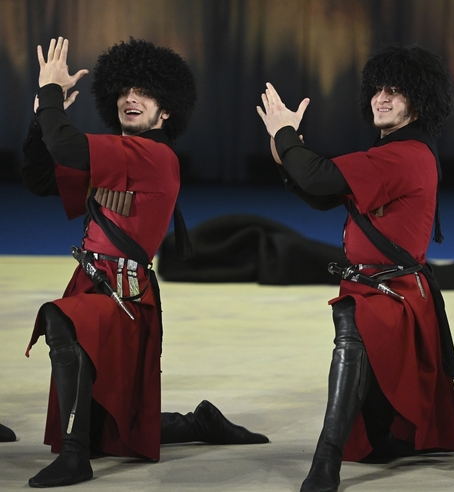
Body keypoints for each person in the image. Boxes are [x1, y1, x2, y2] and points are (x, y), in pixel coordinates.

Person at [22, 37, 266, 488]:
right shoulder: (118, 152)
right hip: (94, 283)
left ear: (166, 110)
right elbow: (40, 178)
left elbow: (69, 147)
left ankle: (76, 460)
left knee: (61, 321)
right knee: (113, 425)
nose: (129, 98)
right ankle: (198, 423)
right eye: (123, 91)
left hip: (123, 294)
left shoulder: (153, 155)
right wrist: (42, 114)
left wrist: (50, 95)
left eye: (144, 93)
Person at [256, 44, 454, 491]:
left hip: (394, 299)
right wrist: (285, 151)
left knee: (352, 325)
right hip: (379, 290)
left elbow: (315, 176)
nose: (381, 98)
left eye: (395, 91)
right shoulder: (392, 151)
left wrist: (286, 136)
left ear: (419, 100)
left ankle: (325, 462)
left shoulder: (404, 154)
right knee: (386, 426)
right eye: (376, 89)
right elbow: (320, 194)